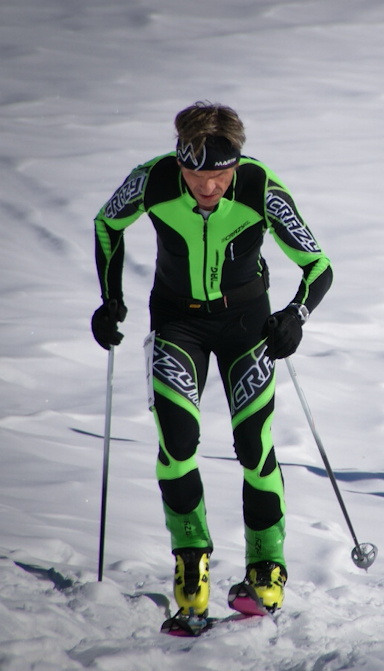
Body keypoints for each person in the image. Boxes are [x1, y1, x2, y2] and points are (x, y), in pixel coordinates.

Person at [91, 102, 333, 617]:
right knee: (176, 443)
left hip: (246, 324)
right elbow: (107, 224)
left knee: (254, 444)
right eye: (195, 173)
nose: (207, 186)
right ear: (178, 160)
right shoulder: (153, 180)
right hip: (177, 322)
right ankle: (191, 560)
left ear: (236, 163)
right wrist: (109, 299)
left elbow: (318, 264)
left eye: (220, 174)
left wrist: (296, 315)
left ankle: (266, 567)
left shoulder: (260, 187)